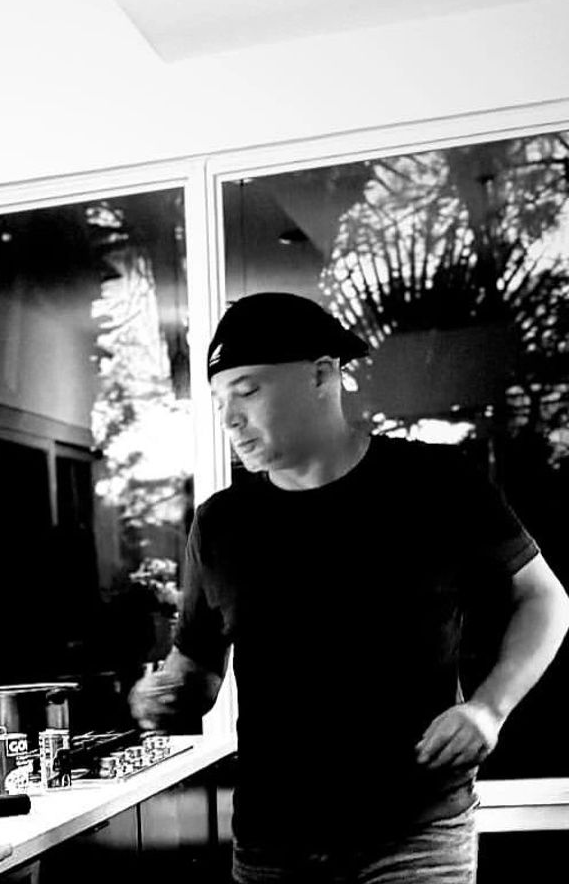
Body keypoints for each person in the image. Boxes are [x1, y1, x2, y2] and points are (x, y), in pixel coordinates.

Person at [129, 292, 569, 883]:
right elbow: (200, 673)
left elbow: (545, 599)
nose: (230, 418)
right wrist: (161, 696)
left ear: (321, 375)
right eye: (219, 399)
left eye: (249, 389)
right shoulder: (221, 525)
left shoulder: (434, 483)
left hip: (415, 836)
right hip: (272, 846)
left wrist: (490, 707)